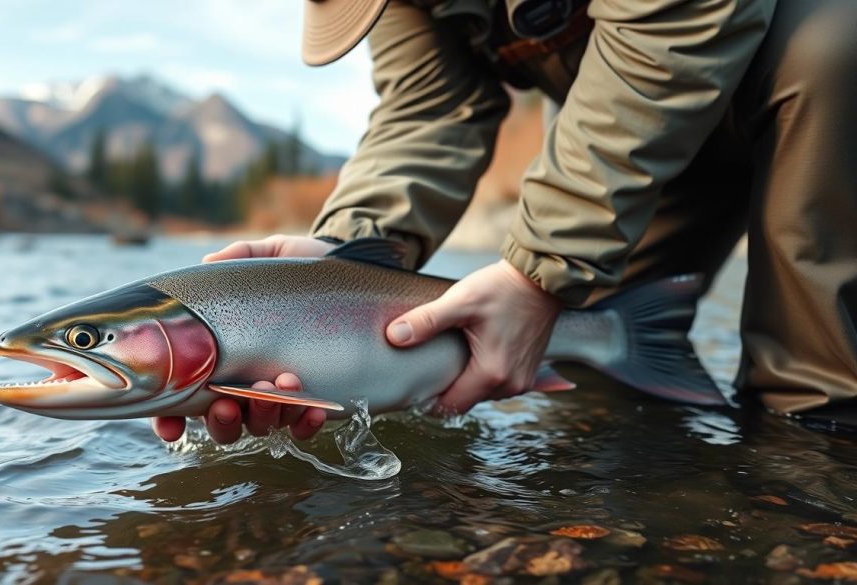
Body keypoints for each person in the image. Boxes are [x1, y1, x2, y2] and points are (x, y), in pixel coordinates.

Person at [153, 0, 857, 444]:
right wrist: (348, 249)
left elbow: (681, 22)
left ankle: (816, 458)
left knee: (834, 44)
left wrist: (539, 269)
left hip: (806, 100)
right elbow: (429, 112)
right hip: (648, 145)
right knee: (614, 372)